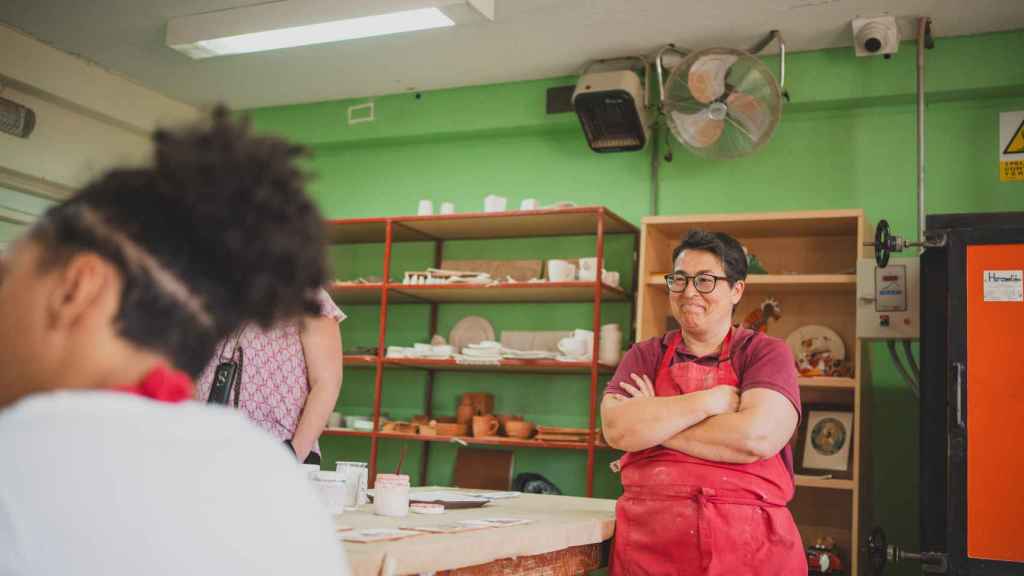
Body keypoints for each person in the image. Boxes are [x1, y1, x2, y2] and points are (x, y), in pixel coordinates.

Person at [0, 108, 350, 575]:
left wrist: (293, 452)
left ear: (76, 287)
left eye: (6, 274)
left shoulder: (21, 464)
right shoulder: (275, 492)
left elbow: (327, 381)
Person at [601, 229, 805, 575]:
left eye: (705, 280)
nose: (689, 292)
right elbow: (618, 430)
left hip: (748, 545)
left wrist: (655, 425)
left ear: (737, 290)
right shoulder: (645, 355)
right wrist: (711, 401)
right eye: (679, 280)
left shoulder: (766, 353)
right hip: (649, 545)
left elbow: (754, 438)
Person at [194, 287, 345, 465]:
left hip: (279, 452)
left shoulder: (307, 295)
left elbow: (327, 383)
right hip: (210, 450)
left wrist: (293, 453)